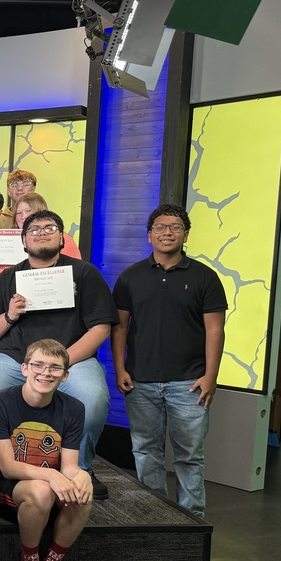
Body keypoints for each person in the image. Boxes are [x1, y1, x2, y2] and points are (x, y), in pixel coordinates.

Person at [0, 210, 117, 500]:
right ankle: (1, 465)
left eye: (50, 228)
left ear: (62, 238)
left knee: (92, 397)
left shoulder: (85, 273)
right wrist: (9, 316)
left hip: (72, 357)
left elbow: (100, 328)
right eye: (33, 229)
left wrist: (61, 363)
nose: (41, 232)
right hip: (15, 359)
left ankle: (81, 468)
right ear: (23, 241)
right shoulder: (7, 278)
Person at [111, 204, 227, 518]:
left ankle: (192, 522)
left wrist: (210, 376)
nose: (167, 232)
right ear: (150, 234)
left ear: (185, 234)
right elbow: (120, 326)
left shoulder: (205, 277)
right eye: (161, 227)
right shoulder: (130, 277)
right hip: (141, 381)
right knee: (147, 454)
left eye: (175, 227)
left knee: (190, 456)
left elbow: (215, 329)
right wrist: (120, 368)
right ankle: (155, 518)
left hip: (190, 383)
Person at [0, 339, 93, 561]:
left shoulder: (74, 408)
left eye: (54, 368)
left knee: (82, 493)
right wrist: (53, 476)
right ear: (24, 368)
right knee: (42, 490)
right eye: (38, 365)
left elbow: (69, 467)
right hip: (3, 483)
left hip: (49, 486)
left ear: (65, 375)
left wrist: (82, 475)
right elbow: (7, 467)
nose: (45, 373)